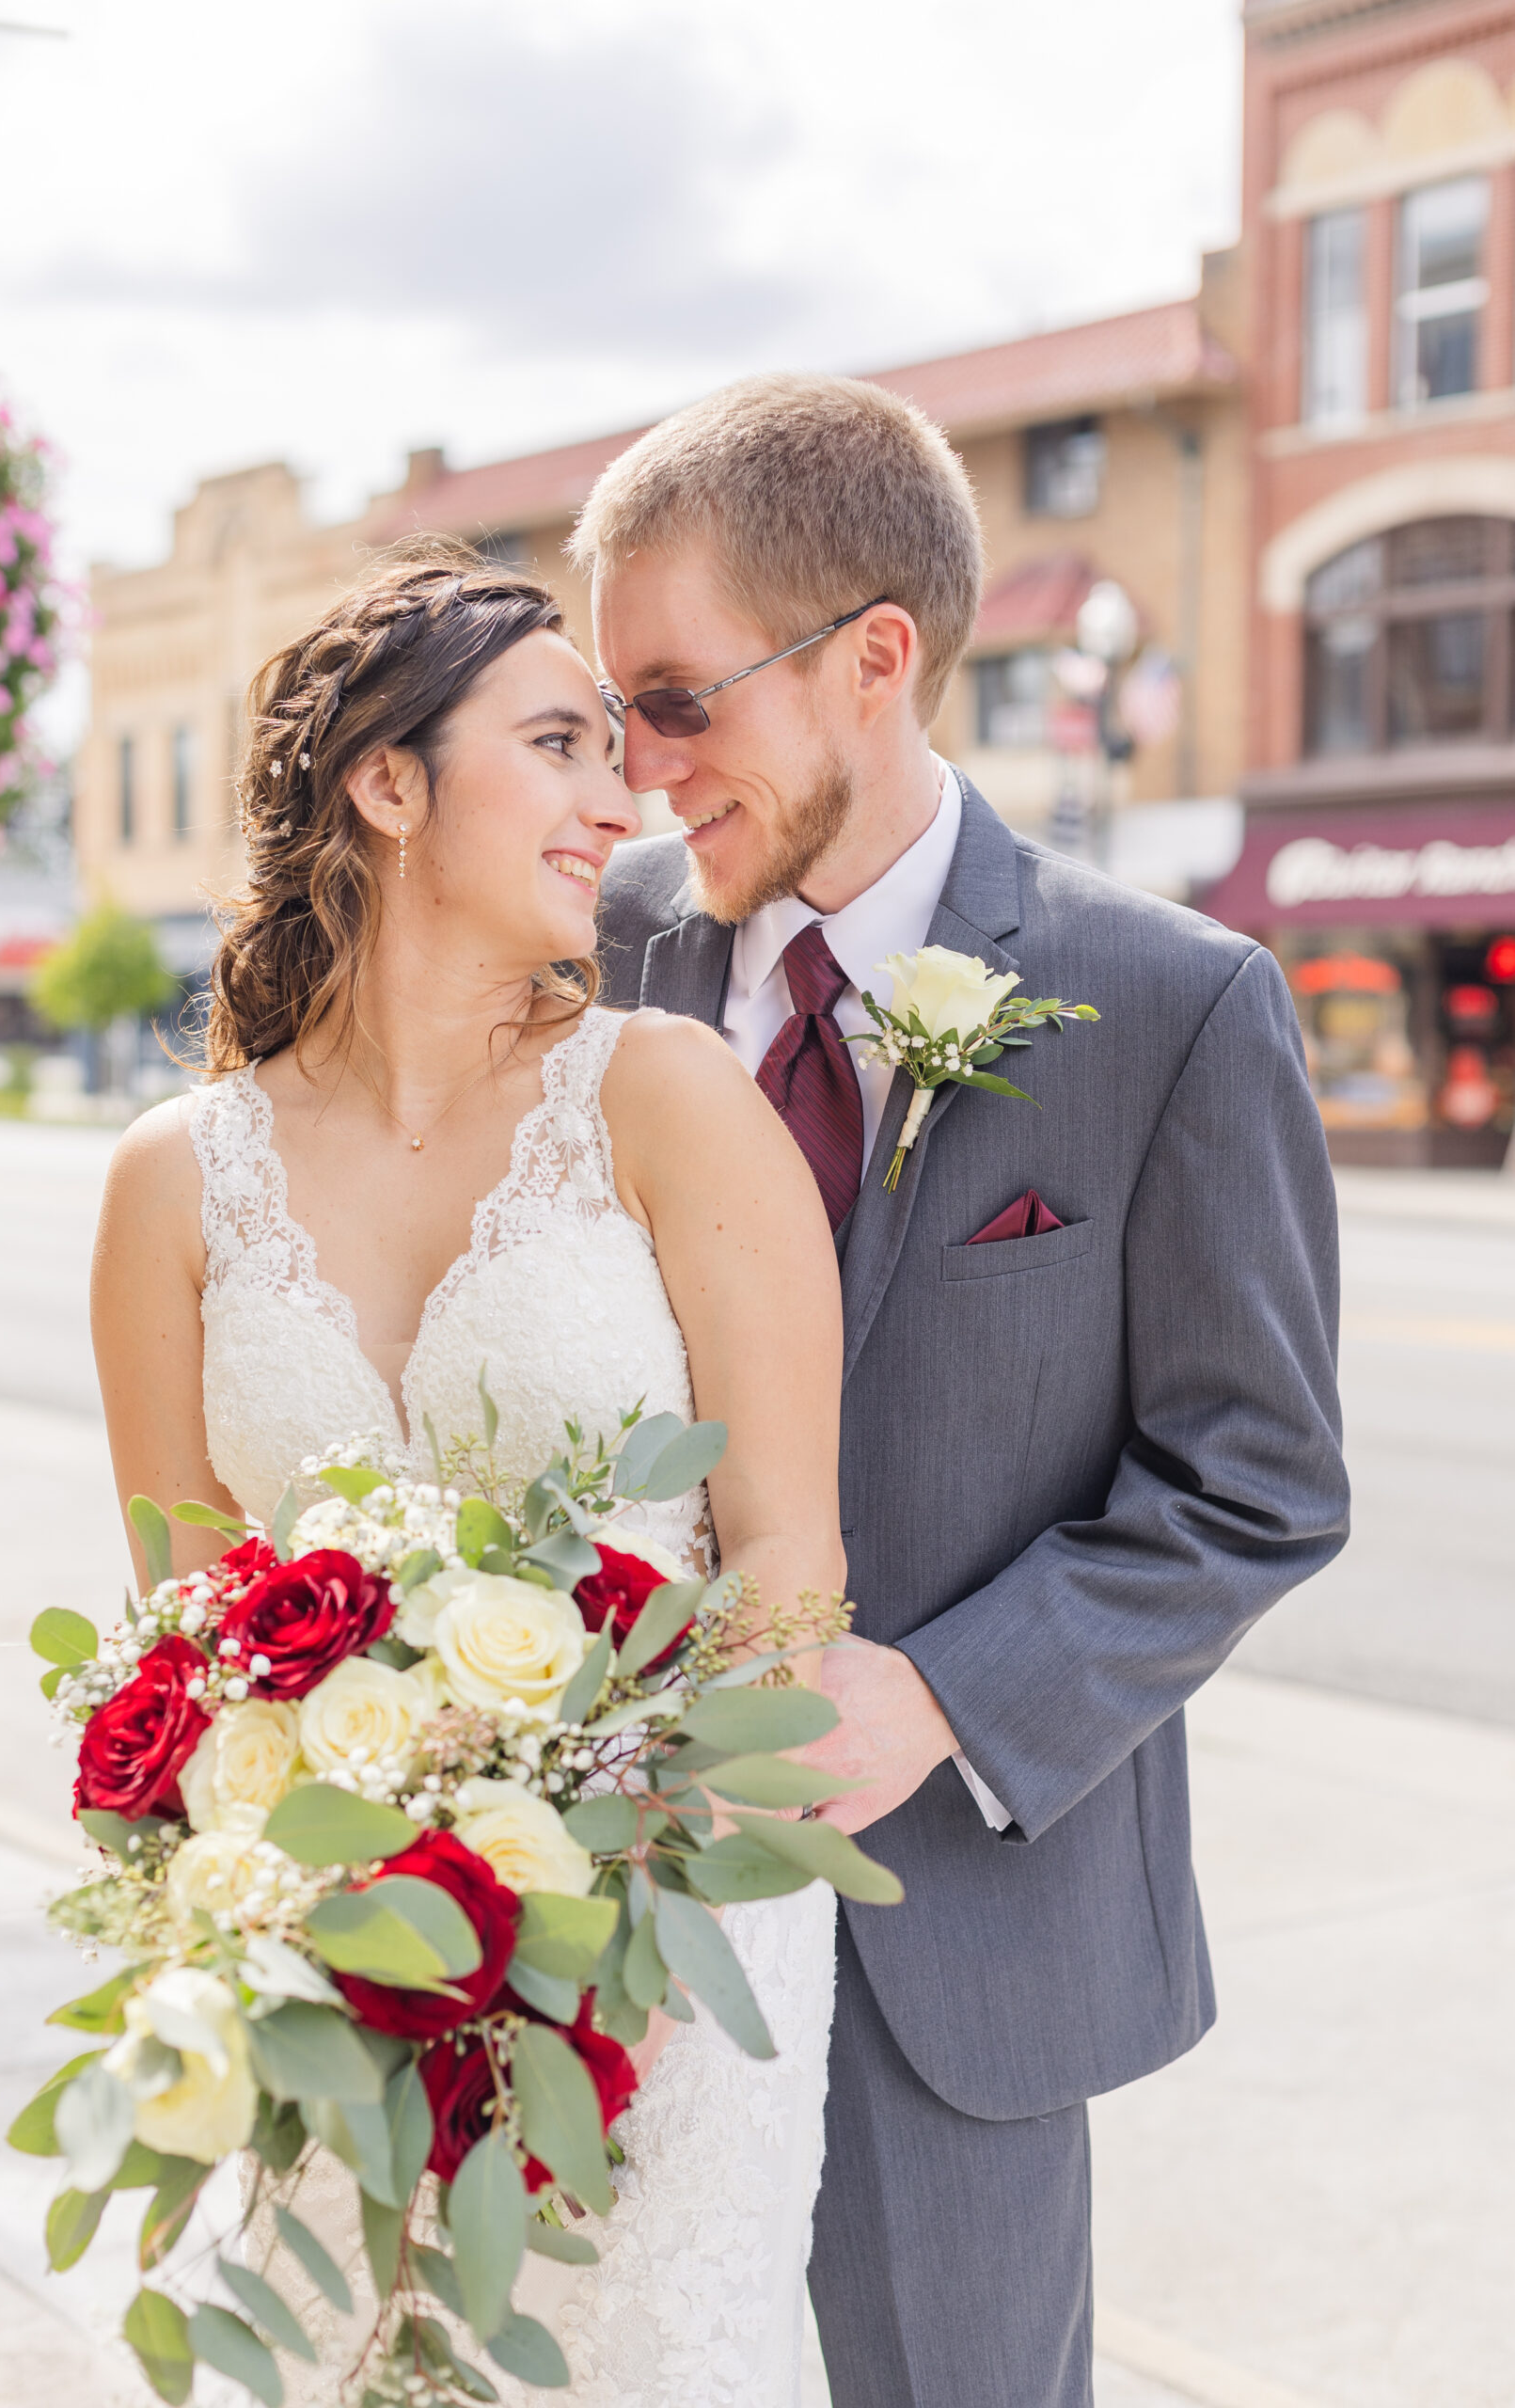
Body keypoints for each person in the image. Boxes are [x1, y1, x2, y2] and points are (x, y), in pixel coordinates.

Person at [581, 372, 1350, 2408]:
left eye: (676, 700)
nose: (640, 772)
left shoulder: (1174, 1007)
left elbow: (1258, 1478)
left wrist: (935, 1695)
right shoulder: (600, 962)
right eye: (608, 713)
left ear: (872, 659)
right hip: (599, 1922)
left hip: (963, 1947)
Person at [88, 538, 848, 2406]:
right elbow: (189, 1631)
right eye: (565, 744)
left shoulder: (668, 1096)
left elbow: (786, 1561)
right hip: (339, 1966)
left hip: (674, 1937)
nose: (625, 797)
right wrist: (311, 1916)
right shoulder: (175, 1180)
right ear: (389, 780)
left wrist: (597, 1888)